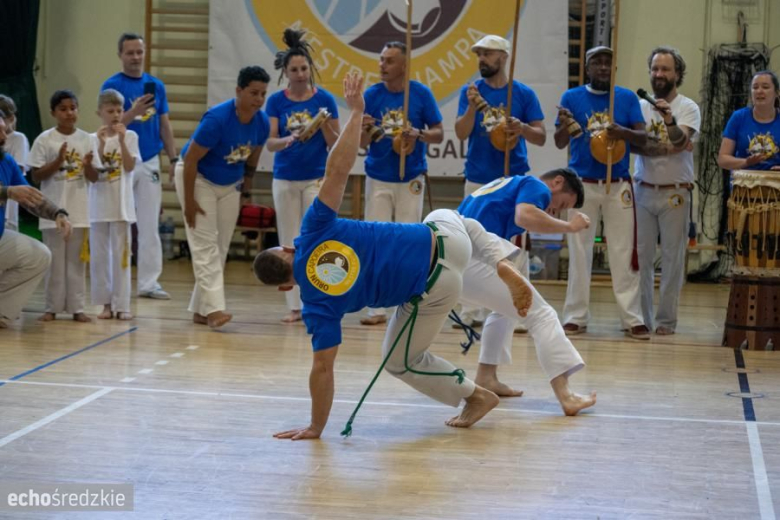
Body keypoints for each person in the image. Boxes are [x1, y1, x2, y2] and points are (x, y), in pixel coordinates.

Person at [254, 73, 534, 440]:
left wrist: (316, 427)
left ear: (286, 286)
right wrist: (356, 112)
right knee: (443, 217)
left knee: (400, 360)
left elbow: (322, 369)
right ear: (289, 248)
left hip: (438, 283)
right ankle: (497, 256)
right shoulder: (313, 229)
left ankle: (476, 396)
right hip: (446, 233)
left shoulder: (316, 303)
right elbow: (337, 169)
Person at [457, 169, 597, 415]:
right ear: (557, 182)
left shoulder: (503, 184)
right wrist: (570, 226)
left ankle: (486, 377)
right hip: (469, 261)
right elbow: (525, 217)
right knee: (541, 313)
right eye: (562, 203)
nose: (556, 211)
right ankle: (566, 395)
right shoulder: (536, 186)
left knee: (506, 311)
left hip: (454, 260)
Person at [554, 46, 650, 340]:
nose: (604, 67)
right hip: (582, 183)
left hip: (617, 182)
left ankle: (632, 318)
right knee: (579, 250)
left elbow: (643, 139)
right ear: (587, 67)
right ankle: (575, 316)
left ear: (614, 68)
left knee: (622, 251)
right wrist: (567, 125)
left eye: (609, 62)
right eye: (597, 62)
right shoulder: (571, 98)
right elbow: (559, 142)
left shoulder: (625, 98)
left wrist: (623, 132)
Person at [454, 34, 546, 328]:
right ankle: (470, 312)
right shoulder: (471, 92)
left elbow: (541, 136)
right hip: (479, 180)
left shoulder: (521, 94)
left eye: (488, 54)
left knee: (512, 246)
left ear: (504, 57)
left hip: (512, 181)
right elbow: (459, 132)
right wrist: (470, 108)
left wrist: (522, 128)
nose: (482, 59)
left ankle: (518, 311)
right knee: (471, 247)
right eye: (479, 54)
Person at [175, 66, 270, 329]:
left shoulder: (261, 122)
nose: (259, 99)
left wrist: (246, 190)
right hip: (198, 178)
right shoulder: (217, 119)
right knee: (204, 244)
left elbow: (254, 156)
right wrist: (190, 201)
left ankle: (200, 309)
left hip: (230, 184)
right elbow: (191, 159)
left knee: (221, 245)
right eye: (253, 93)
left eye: (263, 94)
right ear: (238, 91)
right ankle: (215, 309)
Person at [359, 41, 444, 326]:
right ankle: (376, 307)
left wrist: (418, 133)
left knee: (409, 240)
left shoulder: (420, 94)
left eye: (389, 61)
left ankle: (406, 302)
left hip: (411, 177)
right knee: (376, 239)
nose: (382, 65)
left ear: (405, 65)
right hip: (378, 175)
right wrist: (364, 128)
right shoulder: (371, 95)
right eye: (381, 59)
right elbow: (360, 143)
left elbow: (438, 133)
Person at [265, 28, 340, 324]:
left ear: (311, 69)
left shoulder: (325, 100)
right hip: (284, 176)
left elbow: (336, 142)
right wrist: (287, 140)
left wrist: (322, 127)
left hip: (314, 177)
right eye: (294, 69)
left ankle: (316, 297)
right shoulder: (276, 102)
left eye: (304, 68)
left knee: (314, 237)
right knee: (288, 239)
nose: (300, 73)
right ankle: (293, 305)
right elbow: (269, 142)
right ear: (285, 72)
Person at [102, 32, 177, 300]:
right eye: (130, 52)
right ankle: (112, 283)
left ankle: (148, 283)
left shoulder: (156, 85)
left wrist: (173, 158)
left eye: (139, 52)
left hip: (149, 159)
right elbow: (109, 126)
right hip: (121, 160)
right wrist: (132, 111)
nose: (135, 57)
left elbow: (165, 124)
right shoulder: (111, 86)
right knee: (118, 222)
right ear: (120, 55)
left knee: (149, 225)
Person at [633, 47, 701, 335]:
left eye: (665, 69)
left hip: (675, 192)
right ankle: (643, 319)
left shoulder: (688, 107)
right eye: (655, 69)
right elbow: (636, 145)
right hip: (642, 189)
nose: (659, 74)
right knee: (641, 258)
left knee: (673, 260)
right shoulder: (638, 106)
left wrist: (670, 122)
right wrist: (668, 147)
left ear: (677, 74)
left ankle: (666, 321)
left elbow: (681, 139)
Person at [29, 90, 100, 323]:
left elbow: (94, 177)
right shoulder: (45, 139)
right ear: (53, 113)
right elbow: (37, 176)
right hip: (52, 211)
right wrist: (58, 161)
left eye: (73, 108)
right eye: (63, 109)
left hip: (79, 210)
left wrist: (88, 165)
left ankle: (77, 308)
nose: (69, 113)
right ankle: (51, 307)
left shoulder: (88, 139)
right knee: (54, 262)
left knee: (76, 264)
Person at [0, 114, 72, 329]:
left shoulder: (6, 161)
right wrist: (7, 191)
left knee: (38, 255)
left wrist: (58, 213)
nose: (5, 136)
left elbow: (30, 197)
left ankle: (2, 312)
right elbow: (12, 192)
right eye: (0, 131)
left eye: (5, 130)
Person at [89, 89, 142, 321]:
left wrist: (121, 140)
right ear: (100, 112)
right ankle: (105, 304)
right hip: (99, 205)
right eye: (110, 111)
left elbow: (130, 167)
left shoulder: (130, 137)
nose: (116, 115)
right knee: (100, 257)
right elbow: (95, 171)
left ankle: (123, 304)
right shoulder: (92, 138)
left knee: (121, 256)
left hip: (122, 206)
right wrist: (100, 146)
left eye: (119, 110)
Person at [718, 70, 780, 172]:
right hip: (744, 184)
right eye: (755, 87)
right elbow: (722, 159)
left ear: (777, 93)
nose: (759, 91)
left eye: (765, 87)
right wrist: (746, 162)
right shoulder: (739, 117)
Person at [0, 95, 30, 231]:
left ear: (10, 118)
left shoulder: (18, 139)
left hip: (8, 209)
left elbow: (17, 171)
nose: (3, 136)